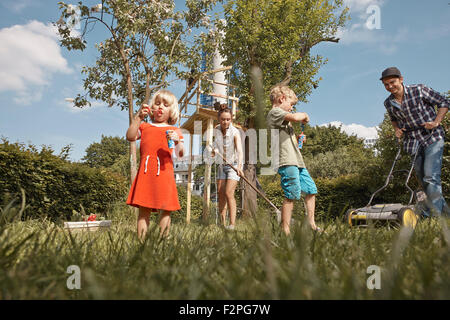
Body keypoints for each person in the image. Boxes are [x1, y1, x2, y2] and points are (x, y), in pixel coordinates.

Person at [380, 67, 449, 217]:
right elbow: (393, 119)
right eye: (386, 84)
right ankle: (446, 216)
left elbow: (444, 102)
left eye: (392, 82)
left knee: (431, 177)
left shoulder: (419, 89)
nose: (390, 86)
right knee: (423, 182)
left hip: (432, 137)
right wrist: (397, 129)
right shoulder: (388, 103)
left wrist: (436, 122)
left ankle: (434, 217)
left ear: (401, 79)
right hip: (412, 142)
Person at [126, 89, 185, 240]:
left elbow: (180, 154)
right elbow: (130, 136)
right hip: (146, 173)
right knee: (144, 208)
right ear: (152, 108)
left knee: (165, 209)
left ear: (172, 110)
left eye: (165, 105)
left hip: (165, 174)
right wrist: (138, 118)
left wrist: (177, 141)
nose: (160, 107)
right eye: (157, 103)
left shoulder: (174, 130)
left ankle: (163, 240)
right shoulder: (145, 127)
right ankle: (141, 242)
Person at [267, 85, 320, 235]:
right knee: (292, 193)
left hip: (296, 160)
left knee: (311, 189)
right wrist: (304, 114)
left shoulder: (284, 118)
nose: (292, 108)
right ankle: (285, 229)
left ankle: (311, 224)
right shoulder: (274, 112)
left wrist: (298, 139)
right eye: (291, 104)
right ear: (282, 98)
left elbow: (288, 139)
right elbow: (297, 117)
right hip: (286, 160)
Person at [210, 103, 244, 230]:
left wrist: (239, 166)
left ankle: (232, 225)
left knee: (229, 192)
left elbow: (240, 151)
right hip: (221, 164)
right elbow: (215, 145)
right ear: (219, 119)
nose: (225, 122)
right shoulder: (217, 129)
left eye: (228, 119)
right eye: (223, 119)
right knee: (221, 193)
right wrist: (214, 150)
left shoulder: (235, 132)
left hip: (233, 165)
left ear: (231, 119)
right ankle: (222, 223)